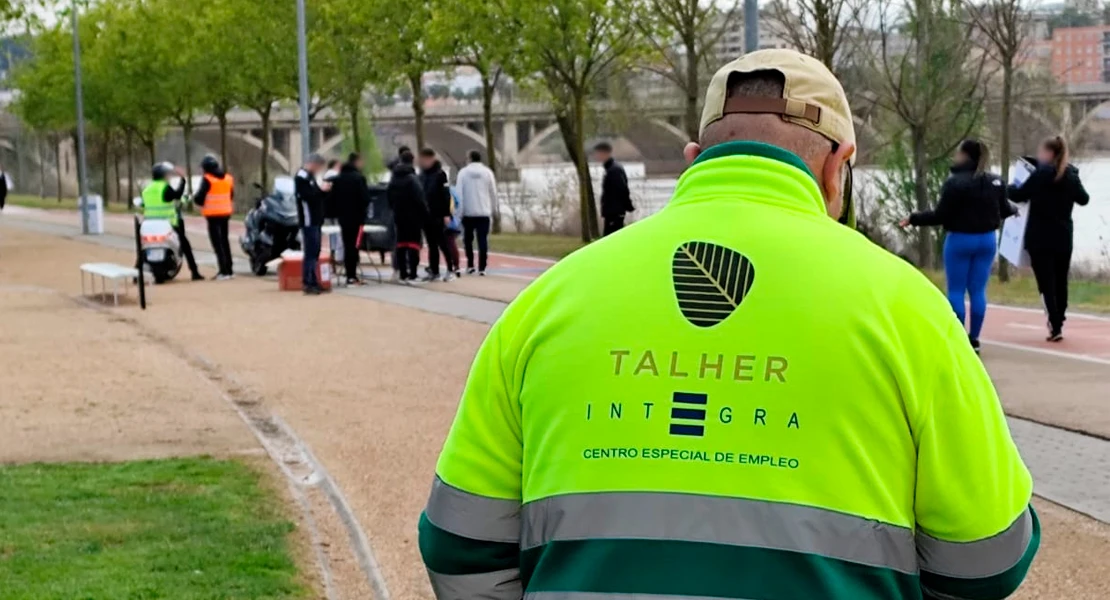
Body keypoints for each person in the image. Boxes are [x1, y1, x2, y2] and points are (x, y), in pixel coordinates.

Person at [418, 49, 1037, 600]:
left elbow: (458, 544)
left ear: (695, 158)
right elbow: (985, 562)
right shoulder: (909, 309)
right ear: (839, 165)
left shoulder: (547, 300)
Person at [900, 139, 1015, 354]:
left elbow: (941, 215)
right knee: (978, 290)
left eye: (957, 153)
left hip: (960, 240)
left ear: (964, 156)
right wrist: (1014, 209)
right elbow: (1005, 209)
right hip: (987, 240)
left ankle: (959, 338)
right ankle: (976, 339)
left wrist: (913, 218)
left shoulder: (955, 183)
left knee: (956, 290)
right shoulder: (995, 182)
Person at [1008, 135, 1090, 342]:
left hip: (1040, 235)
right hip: (1063, 235)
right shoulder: (1070, 174)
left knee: (1046, 282)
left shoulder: (1041, 175)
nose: (1039, 155)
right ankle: (1059, 318)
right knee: (1061, 280)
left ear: (1049, 153)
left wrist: (1006, 188)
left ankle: (1054, 324)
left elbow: (1018, 194)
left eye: (1041, 152)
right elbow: (1084, 199)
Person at [140, 162, 203, 281]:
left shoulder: (146, 189)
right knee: (185, 245)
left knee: (143, 248)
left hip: (150, 226)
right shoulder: (164, 187)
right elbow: (178, 195)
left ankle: (137, 272)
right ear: (163, 175)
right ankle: (194, 272)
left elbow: (143, 204)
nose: (168, 177)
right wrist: (183, 180)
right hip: (168, 224)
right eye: (167, 174)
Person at [192, 155, 236, 280]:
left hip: (213, 216)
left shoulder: (207, 179)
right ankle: (230, 269)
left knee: (217, 244)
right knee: (225, 242)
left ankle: (223, 271)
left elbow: (200, 199)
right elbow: (231, 195)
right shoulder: (228, 178)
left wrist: (195, 199)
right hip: (225, 213)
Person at [330, 153, 371, 285]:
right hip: (357, 217)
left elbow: (333, 198)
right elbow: (365, 198)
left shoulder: (338, 178)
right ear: (357, 162)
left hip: (343, 217)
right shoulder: (359, 178)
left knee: (347, 245)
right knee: (355, 246)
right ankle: (352, 275)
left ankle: (349, 274)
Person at [455, 149, 497, 275]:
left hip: (468, 212)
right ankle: (482, 268)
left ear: (469, 159)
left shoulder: (463, 173)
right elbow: (493, 192)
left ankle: (470, 265)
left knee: (468, 240)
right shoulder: (488, 172)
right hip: (484, 211)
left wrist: (459, 212)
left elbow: (459, 193)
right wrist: (494, 210)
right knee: (482, 240)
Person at [387, 150, 426, 283]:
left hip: (398, 215)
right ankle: (413, 274)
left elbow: (389, 196)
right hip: (413, 216)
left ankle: (402, 273)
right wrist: (424, 214)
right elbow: (419, 198)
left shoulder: (394, 178)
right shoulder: (412, 179)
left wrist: (394, 208)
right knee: (413, 245)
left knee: (401, 244)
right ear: (412, 161)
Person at [295, 153, 330, 295]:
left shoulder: (309, 177)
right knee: (310, 251)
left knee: (315, 251)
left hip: (315, 218)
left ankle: (313, 280)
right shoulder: (302, 177)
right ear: (313, 164)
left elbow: (316, 195)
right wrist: (320, 190)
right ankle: (308, 282)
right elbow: (307, 196)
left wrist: (323, 192)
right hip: (309, 219)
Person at [418, 148, 452, 282]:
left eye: (424, 160)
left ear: (431, 159)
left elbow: (446, 195)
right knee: (431, 244)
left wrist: (446, 214)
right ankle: (434, 270)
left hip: (437, 214)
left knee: (442, 243)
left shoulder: (440, 175)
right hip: (426, 215)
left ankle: (450, 268)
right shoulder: (422, 175)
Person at [593, 141, 634, 235]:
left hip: (615, 212)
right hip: (611, 212)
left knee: (612, 238)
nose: (596, 156)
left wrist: (627, 206)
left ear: (605, 153)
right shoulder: (610, 169)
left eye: (597, 153)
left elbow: (622, 190)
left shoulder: (614, 170)